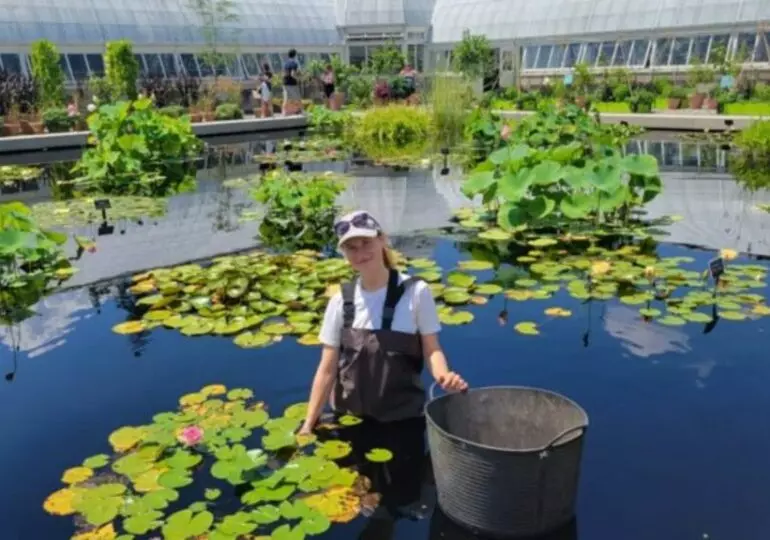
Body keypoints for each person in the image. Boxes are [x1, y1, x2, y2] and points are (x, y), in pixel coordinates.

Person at [299, 210, 467, 437]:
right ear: (344, 254)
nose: (361, 252)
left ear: (382, 239)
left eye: (366, 242)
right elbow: (327, 369)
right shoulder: (340, 300)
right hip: (349, 419)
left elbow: (432, 349)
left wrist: (443, 375)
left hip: (403, 419)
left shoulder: (416, 292)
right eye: (352, 247)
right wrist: (309, 424)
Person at [282, 48, 302, 115]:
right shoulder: (294, 63)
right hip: (292, 84)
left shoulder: (286, 63)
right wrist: (298, 79)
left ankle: (284, 113)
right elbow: (293, 74)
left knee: (286, 99)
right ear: (295, 55)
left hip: (285, 83)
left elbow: (284, 73)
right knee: (298, 98)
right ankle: (300, 111)